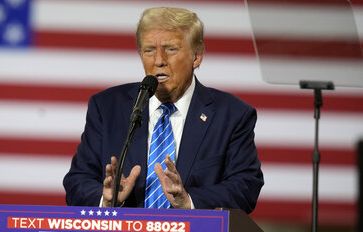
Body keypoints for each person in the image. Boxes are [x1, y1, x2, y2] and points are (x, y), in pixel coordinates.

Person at [63, 7, 263, 213]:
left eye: (171, 49)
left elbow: (245, 186)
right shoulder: (107, 107)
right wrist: (108, 201)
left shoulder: (231, 115)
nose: (159, 60)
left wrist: (189, 202)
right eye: (149, 50)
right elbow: (78, 180)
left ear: (196, 57)